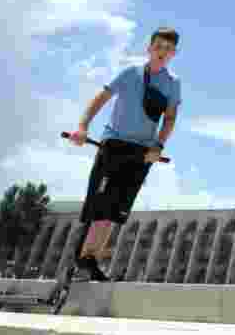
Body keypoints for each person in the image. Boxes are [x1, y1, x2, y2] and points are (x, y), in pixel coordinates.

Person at [67, 27, 181, 281]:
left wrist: (158, 146)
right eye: (158, 46)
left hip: (143, 153)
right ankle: (80, 261)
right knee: (98, 205)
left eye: (168, 49)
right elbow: (101, 98)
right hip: (114, 145)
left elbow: (170, 119)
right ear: (149, 48)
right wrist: (83, 127)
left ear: (173, 53)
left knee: (116, 210)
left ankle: (91, 261)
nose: (162, 52)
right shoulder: (130, 73)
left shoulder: (173, 84)